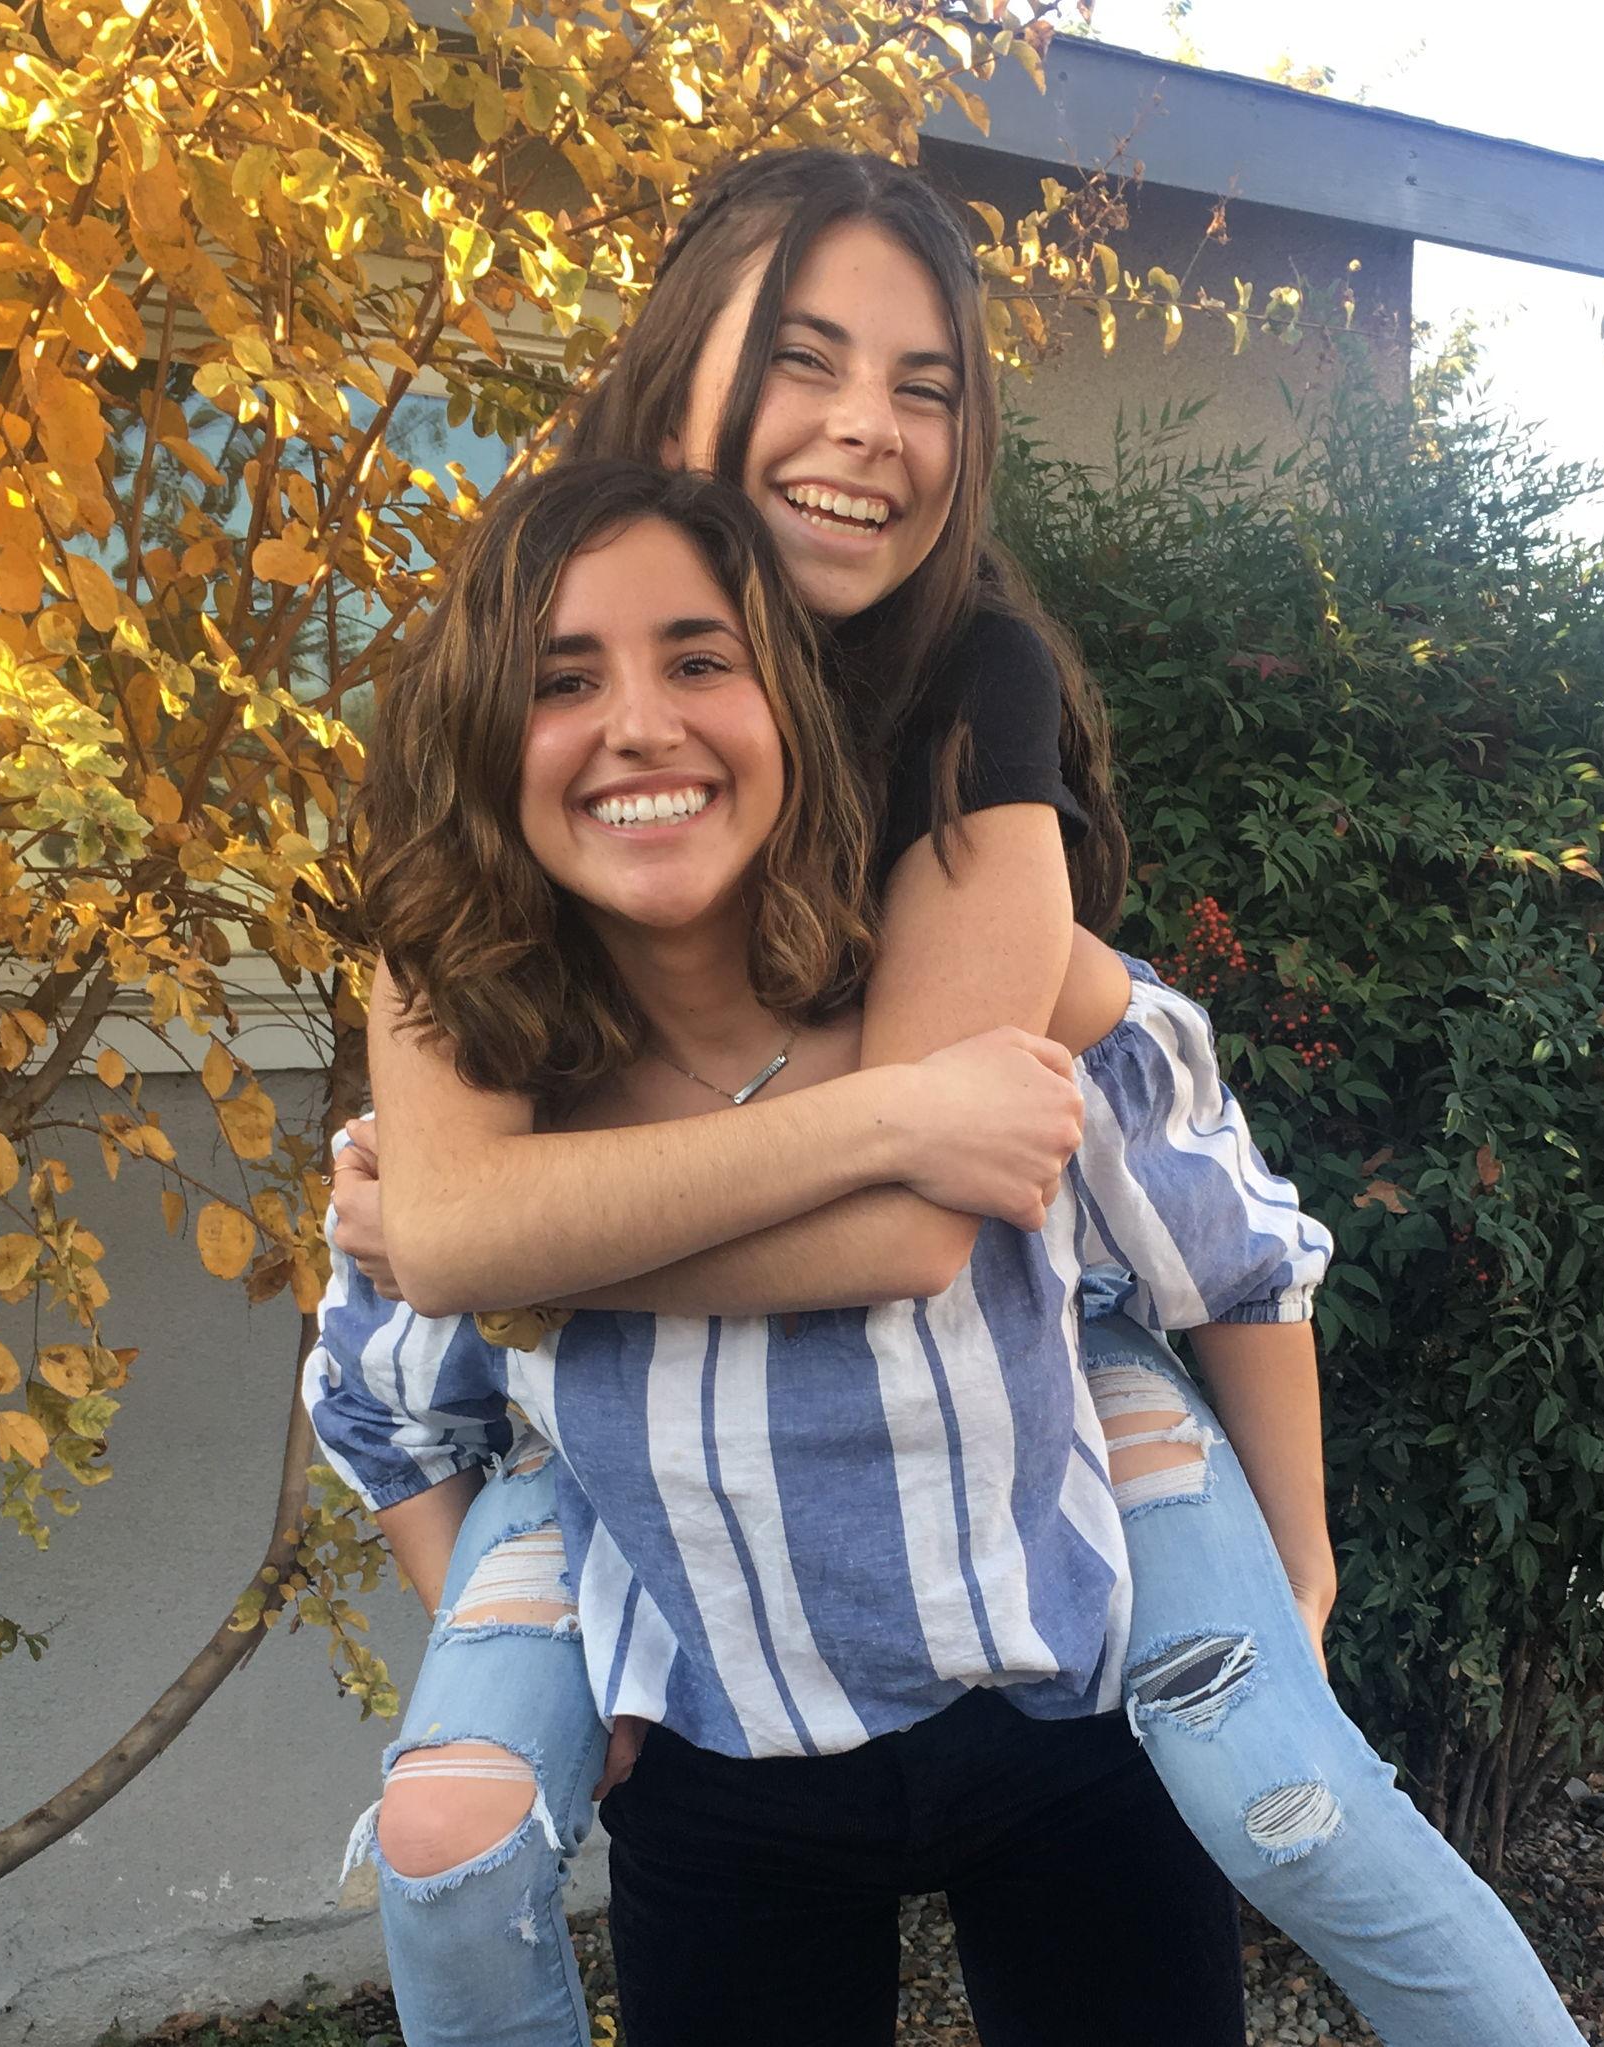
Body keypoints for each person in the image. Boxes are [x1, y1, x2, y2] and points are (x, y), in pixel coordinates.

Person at [318, 150, 1583, 2047]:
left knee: (1290, 1804)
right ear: (673, 364)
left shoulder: (967, 677)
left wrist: (516, 1240)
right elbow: (424, 1301)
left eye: (926, 385)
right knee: (457, 1831)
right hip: (723, 1652)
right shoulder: (511, 706)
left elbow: (934, 1215)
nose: (868, 427)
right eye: (805, 357)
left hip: (1042, 1499)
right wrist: (480, 1242)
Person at [312, 458, 1250, 2045]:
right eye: (560, 680)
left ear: (797, 715)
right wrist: (535, 1661)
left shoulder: (956, 1003)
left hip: (1069, 1725)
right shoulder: (488, 1095)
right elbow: (386, 1406)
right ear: (479, 742)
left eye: (700, 659)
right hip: (720, 1757)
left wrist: (1299, 1566)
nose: (639, 724)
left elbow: (1218, 1242)